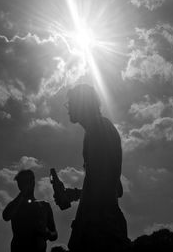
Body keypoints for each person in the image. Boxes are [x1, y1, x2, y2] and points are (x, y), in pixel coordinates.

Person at [58, 84, 130, 252]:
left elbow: (101, 187)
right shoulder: (102, 128)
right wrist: (75, 194)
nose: (68, 109)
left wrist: (80, 227)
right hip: (108, 222)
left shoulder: (97, 131)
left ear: (83, 104)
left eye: (71, 104)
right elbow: (115, 189)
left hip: (100, 227)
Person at [3, 169, 58, 252]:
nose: (23, 185)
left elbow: (54, 234)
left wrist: (46, 232)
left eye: (26, 182)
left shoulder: (44, 206)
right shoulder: (15, 206)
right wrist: (23, 193)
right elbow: (6, 216)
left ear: (32, 182)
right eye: (21, 183)